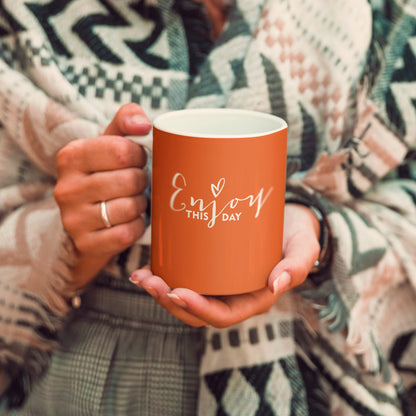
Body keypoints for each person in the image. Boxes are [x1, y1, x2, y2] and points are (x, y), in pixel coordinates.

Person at [0, 0, 415, 414]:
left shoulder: (387, 18)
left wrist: (318, 231)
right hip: (87, 375)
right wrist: (73, 240)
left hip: (313, 367)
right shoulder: (26, 18)